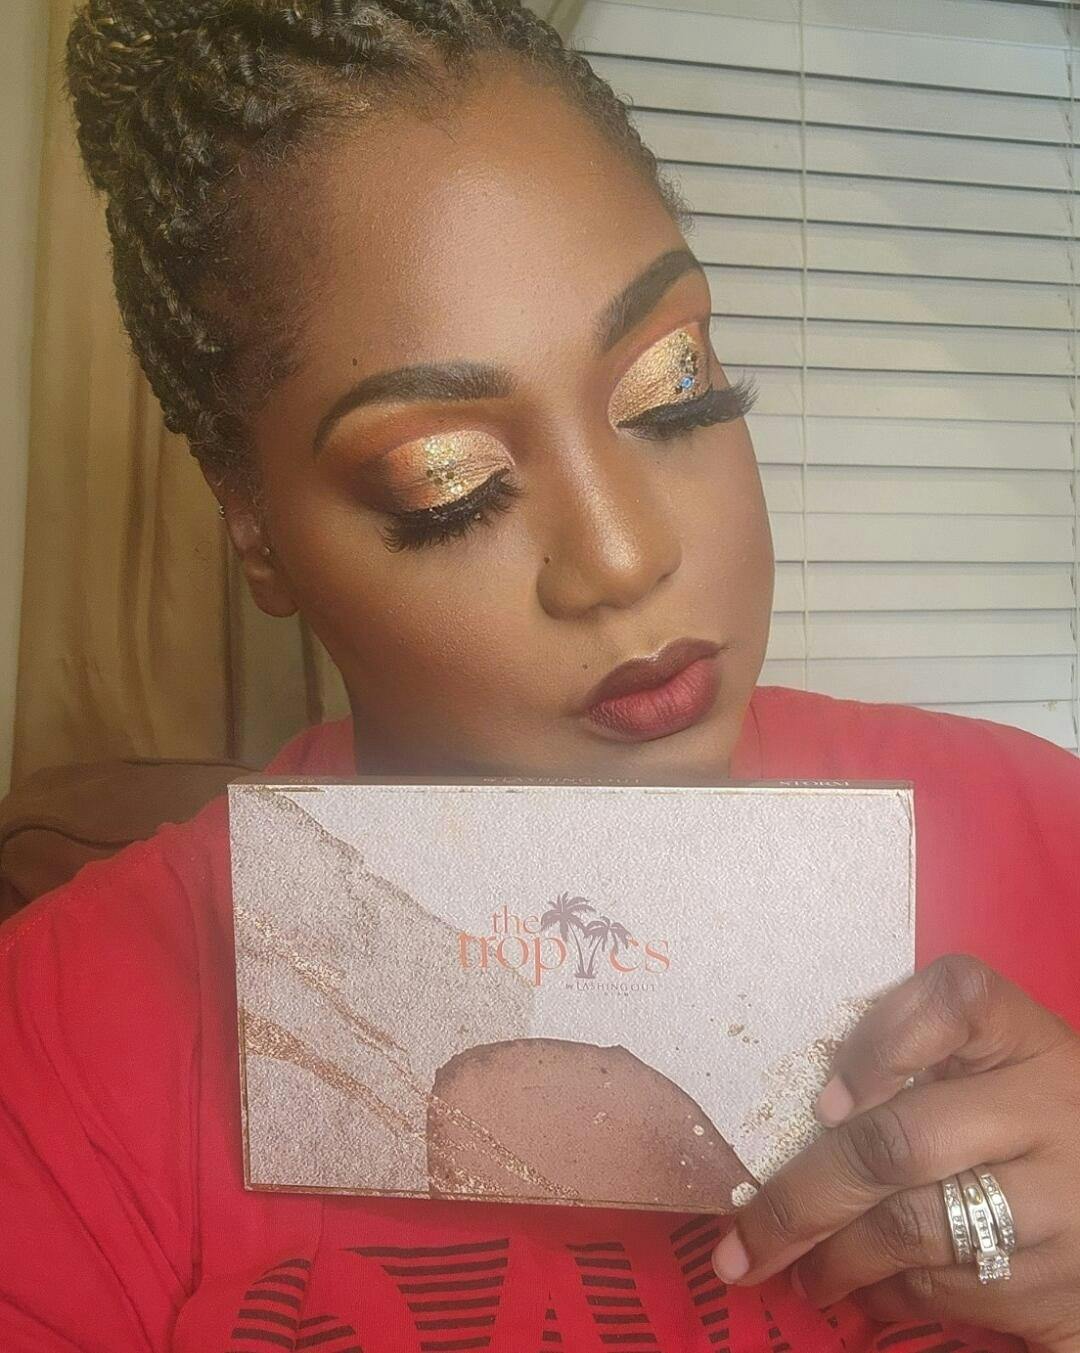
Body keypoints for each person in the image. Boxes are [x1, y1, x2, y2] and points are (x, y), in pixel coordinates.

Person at [2, 1, 1079, 1349]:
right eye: (445, 482)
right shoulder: (56, 1042)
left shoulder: (1046, 831)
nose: (625, 557)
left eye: (676, 387)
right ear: (258, 531)